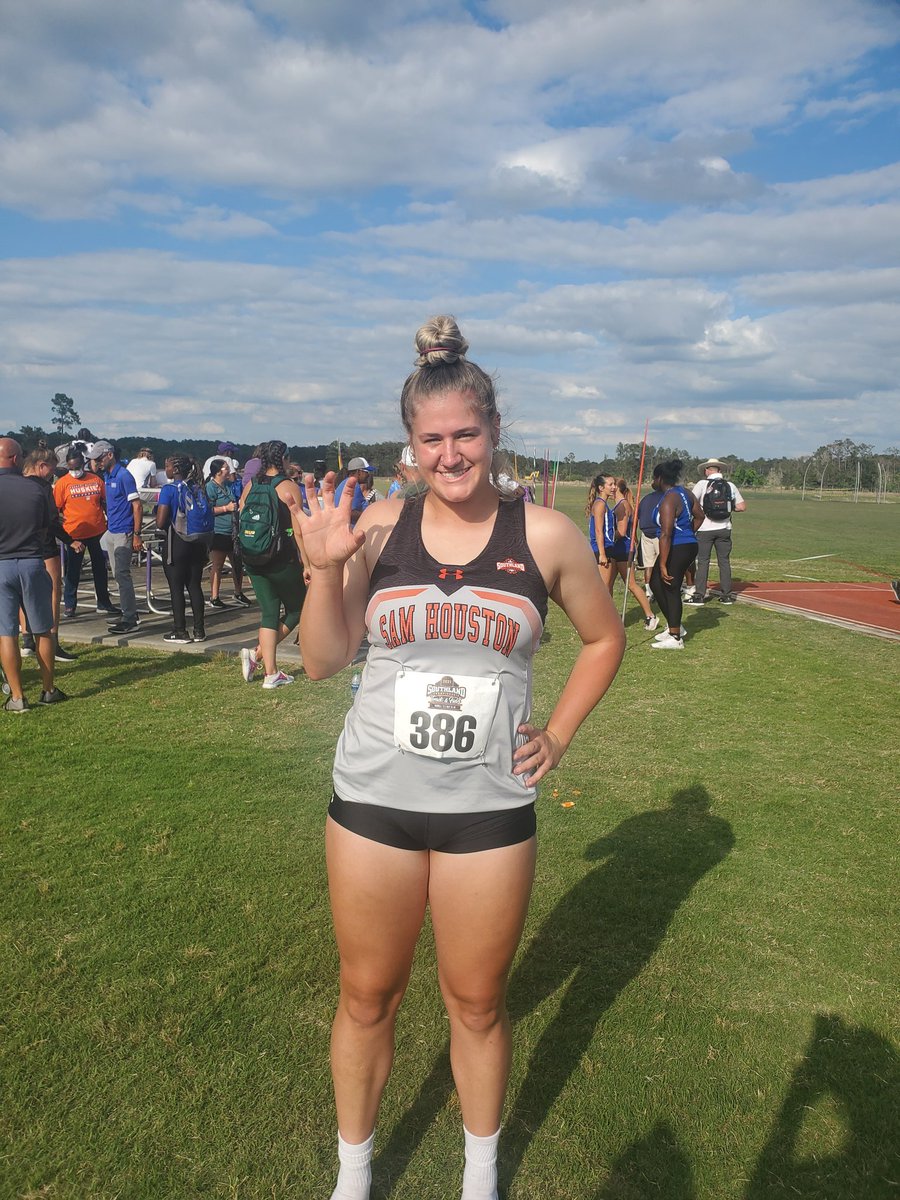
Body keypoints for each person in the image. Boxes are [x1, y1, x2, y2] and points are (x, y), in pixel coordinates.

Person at [295, 316, 625, 1200]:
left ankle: (480, 1177)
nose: (451, 454)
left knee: (477, 1003)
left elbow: (603, 639)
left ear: (494, 432)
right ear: (409, 447)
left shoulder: (546, 536)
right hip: (373, 799)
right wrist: (325, 571)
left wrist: (555, 733)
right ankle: (353, 1175)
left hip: (488, 806)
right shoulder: (377, 526)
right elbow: (323, 660)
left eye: (466, 435)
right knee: (368, 996)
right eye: (432, 439)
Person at [0, 438, 66, 711]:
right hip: (31, 560)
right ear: (17, 459)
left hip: (1, 564)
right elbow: (46, 525)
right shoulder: (37, 489)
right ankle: (48, 689)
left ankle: (17, 697)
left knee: (6, 633)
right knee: (42, 630)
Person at [238, 440, 310, 688]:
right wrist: (307, 563)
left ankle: (269, 670)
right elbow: (298, 530)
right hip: (280, 558)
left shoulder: (250, 485)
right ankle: (259, 658)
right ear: (283, 459)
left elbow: (241, 513)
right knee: (299, 607)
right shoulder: (288, 486)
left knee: (268, 612)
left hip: (252, 557)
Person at [21, 446, 77, 662]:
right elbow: (52, 521)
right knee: (54, 591)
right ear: (41, 466)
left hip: (19, 545)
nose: (53, 473)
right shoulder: (43, 489)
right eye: (52, 469)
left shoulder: (15, 484)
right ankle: (53, 642)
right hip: (44, 545)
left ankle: (27, 640)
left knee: (24, 593)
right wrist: (70, 540)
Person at [54, 449, 120, 618]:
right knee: (73, 571)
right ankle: (70, 605)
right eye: (70, 468)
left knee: (100, 568)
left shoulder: (96, 479)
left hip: (97, 531)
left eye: (76, 467)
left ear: (82, 464)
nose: (74, 471)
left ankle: (103, 602)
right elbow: (56, 509)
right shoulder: (63, 483)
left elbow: (105, 502)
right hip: (74, 533)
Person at [155, 456, 212, 644]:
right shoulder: (198, 488)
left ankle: (180, 631)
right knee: (194, 585)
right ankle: (199, 630)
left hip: (177, 542)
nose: (166, 470)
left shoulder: (169, 489)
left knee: (176, 587)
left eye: (167, 466)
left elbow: (161, 521)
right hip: (198, 543)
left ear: (177, 469)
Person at [648, 459, 704, 650]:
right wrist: (689, 534)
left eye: (653, 479)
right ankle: (675, 625)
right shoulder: (685, 493)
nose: (652, 482)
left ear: (660, 478)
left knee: (670, 587)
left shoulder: (669, 498)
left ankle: (675, 637)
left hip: (677, 546)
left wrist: (663, 563)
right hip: (687, 544)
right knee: (656, 583)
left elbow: (666, 533)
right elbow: (700, 516)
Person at [90, 440, 144, 635]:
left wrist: (137, 534)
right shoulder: (108, 475)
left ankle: (130, 617)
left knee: (122, 574)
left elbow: (137, 506)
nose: (96, 463)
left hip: (123, 531)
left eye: (99, 458)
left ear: (110, 455)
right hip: (113, 530)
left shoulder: (123, 475)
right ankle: (128, 613)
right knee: (117, 575)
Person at [688, 457, 746, 605]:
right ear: (719, 470)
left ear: (707, 470)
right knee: (724, 562)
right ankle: (726, 595)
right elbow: (741, 506)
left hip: (705, 529)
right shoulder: (730, 485)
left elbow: (691, 503)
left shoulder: (702, 484)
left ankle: (700, 595)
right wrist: (727, 507)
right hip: (724, 528)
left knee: (703, 562)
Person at [608, 478, 658, 629]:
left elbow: (622, 532)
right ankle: (609, 618)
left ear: (617, 488)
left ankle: (650, 616)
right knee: (607, 585)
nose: (609, 489)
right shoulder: (621, 504)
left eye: (612, 486)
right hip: (618, 550)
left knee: (631, 585)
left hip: (622, 550)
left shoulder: (622, 506)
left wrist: (605, 538)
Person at [205, 458, 251, 609]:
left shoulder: (227, 486)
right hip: (219, 531)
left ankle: (238, 592)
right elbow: (208, 510)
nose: (228, 470)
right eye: (225, 468)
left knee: (237, 563)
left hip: (232, 531)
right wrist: (226, 508)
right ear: (218, 471)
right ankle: (214, 596)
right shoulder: (210, 488)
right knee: (217, 565)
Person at [333, 457, 373, 525]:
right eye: (366, 472)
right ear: (359, 472)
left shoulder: (344, 483)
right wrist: (369, 514)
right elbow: (350, 512)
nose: (368, 475)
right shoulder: (354, 486)